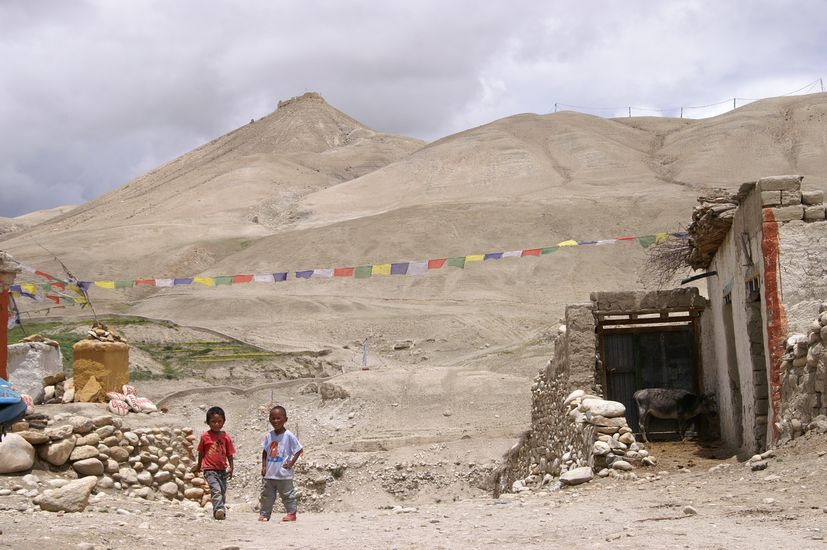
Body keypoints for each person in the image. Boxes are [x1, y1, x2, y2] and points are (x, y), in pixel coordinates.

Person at [259, 405, 304, 522]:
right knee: (266, 496)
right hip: (270, 473)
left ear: (285, 419)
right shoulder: (269, 436)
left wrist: (291, 463)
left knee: (288, 495)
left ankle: (291, 513)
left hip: (283, 474)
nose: (276, 421)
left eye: (279, 418)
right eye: (273, 418)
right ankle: (264, 515)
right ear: (269, 419)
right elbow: (265, 451)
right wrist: (264, 466)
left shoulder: (289, 435)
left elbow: (298, 449)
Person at [193, 406, 235, 520]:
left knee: (222, 491)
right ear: (208, 422)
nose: (216, 424)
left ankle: (220, 510)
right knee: (216, 490)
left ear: (224, 422)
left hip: (222, 469)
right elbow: (201, 452)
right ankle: (219, 510)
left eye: (219, 421)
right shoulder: (205, 436)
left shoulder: (226, 437)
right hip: (209, 469)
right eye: (213, 421)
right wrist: (199, 465)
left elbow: (230, 454)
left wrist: (231, 467)